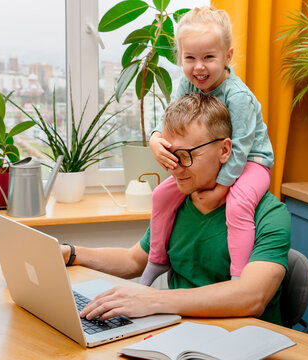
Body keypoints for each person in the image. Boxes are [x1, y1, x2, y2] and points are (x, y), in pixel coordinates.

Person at [62, 93, 290, 325]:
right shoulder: (176, 202)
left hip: (243, 341)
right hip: (177, 334)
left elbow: (252, 297)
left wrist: (153, 300)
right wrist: (71, 253)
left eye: (185, 156)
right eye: (170, 156)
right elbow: (133, 260)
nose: (175, 168)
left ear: (224, 150)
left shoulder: (269, 214)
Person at [142, 6, 275, 286]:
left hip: (252, 160)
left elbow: (240, 148)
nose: (199, 67)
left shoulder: (238, 97)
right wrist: (156, 138)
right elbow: (169, 121)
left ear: (227, 56)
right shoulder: (186, 85)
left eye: (209, 57)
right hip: (217, 160)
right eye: (190, 58)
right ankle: (156, 260)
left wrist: (221, 188)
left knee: (237, 205)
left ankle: (238, 277)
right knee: (161, 196)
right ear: (180, 59)